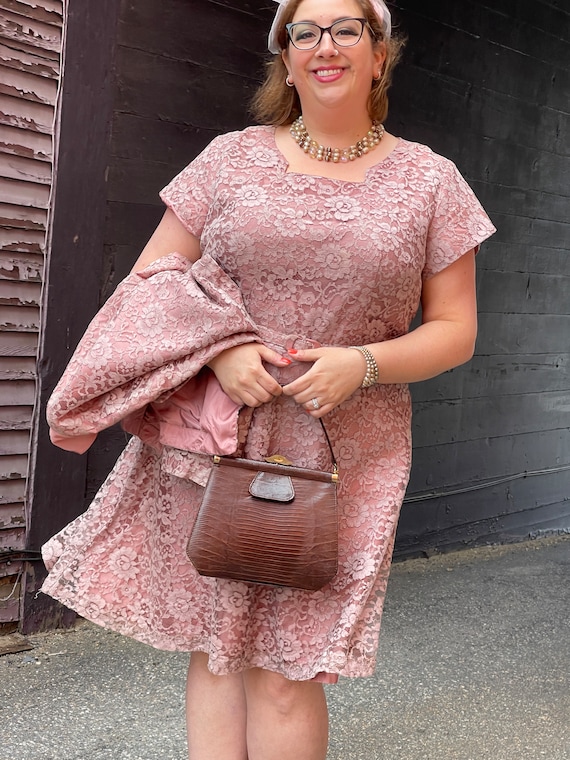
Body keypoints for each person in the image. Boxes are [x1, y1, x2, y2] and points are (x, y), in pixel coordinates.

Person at [41, 0, 496, 758]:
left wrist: (364, 364)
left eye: (346, 29)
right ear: (285, 59)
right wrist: (220, 348)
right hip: (217, 436)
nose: (325, 45)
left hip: (345, 450)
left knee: (289, 669)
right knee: (217, 650)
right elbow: (154, 277)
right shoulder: (230, 158)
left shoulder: (432, 181)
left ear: (379, 54)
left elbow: (456, 330)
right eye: (303, 32)